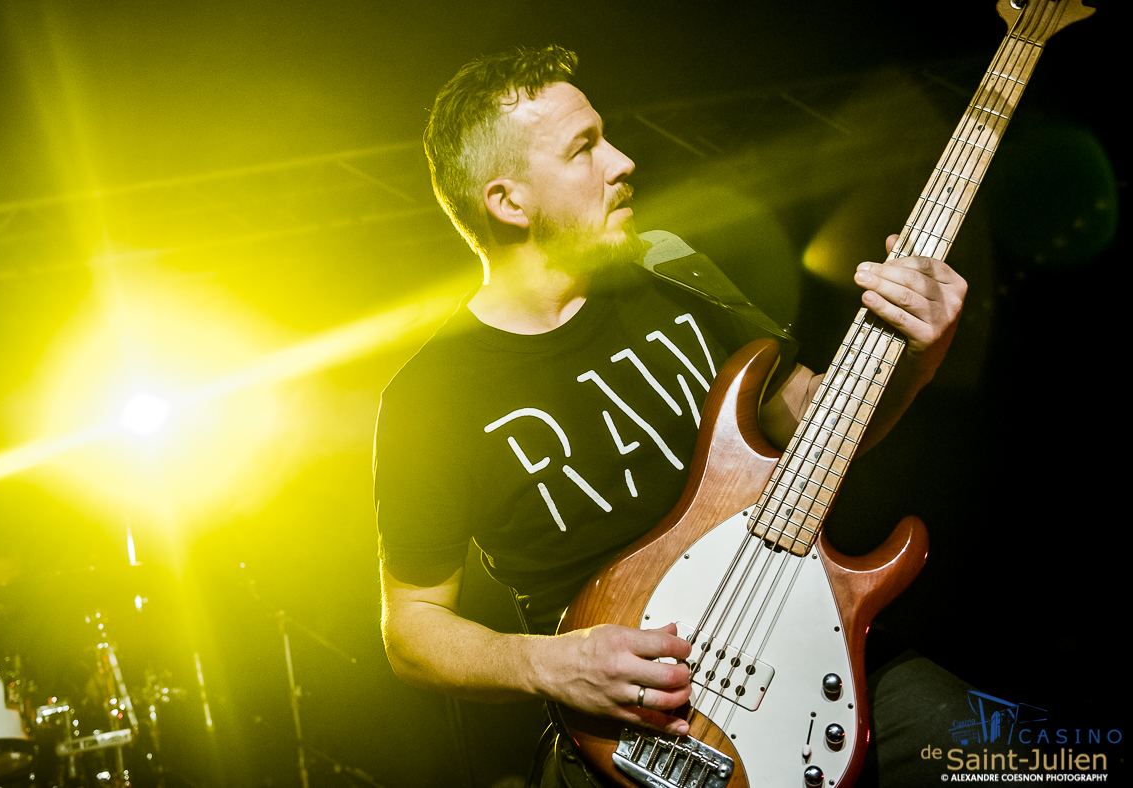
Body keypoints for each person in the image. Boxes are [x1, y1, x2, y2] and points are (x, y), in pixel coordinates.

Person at [372, 46, 967, 785]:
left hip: (798, 649)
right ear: (508, 203)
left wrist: (916, 358)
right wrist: (551, 665)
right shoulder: (428, 396)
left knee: (1015, 758)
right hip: (636, 739)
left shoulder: (668, 264)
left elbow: (810, 426)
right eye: (584, 148)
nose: (622, 161)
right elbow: (411, 627)